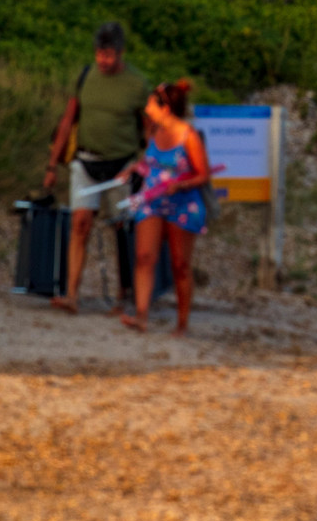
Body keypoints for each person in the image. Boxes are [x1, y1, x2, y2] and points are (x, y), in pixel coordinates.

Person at [44, 22, 148, 314]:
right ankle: (72, 294)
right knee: (80, 224)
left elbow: (150, 128)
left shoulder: (137, 84)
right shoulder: (86, 76)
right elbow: (68, 120)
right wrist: (52, 164)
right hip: (85, 161)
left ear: (121, 52)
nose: (103, 60)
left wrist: (143, 161)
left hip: (121, 165)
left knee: (121, 227)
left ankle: (122, 294)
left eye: (109, 55)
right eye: (100, 54)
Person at [120, 80, 212, 335]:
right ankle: (141, 315)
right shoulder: (153, 130)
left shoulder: (188, 136)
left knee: (180, 264)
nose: (147, 106)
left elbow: (203, 174)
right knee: (144, 257)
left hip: (182, 204)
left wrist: (180, 186)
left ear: (165, 108)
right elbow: (149, 161)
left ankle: (182, 323)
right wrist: (134, 169)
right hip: (152, 200)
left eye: (152, 102)